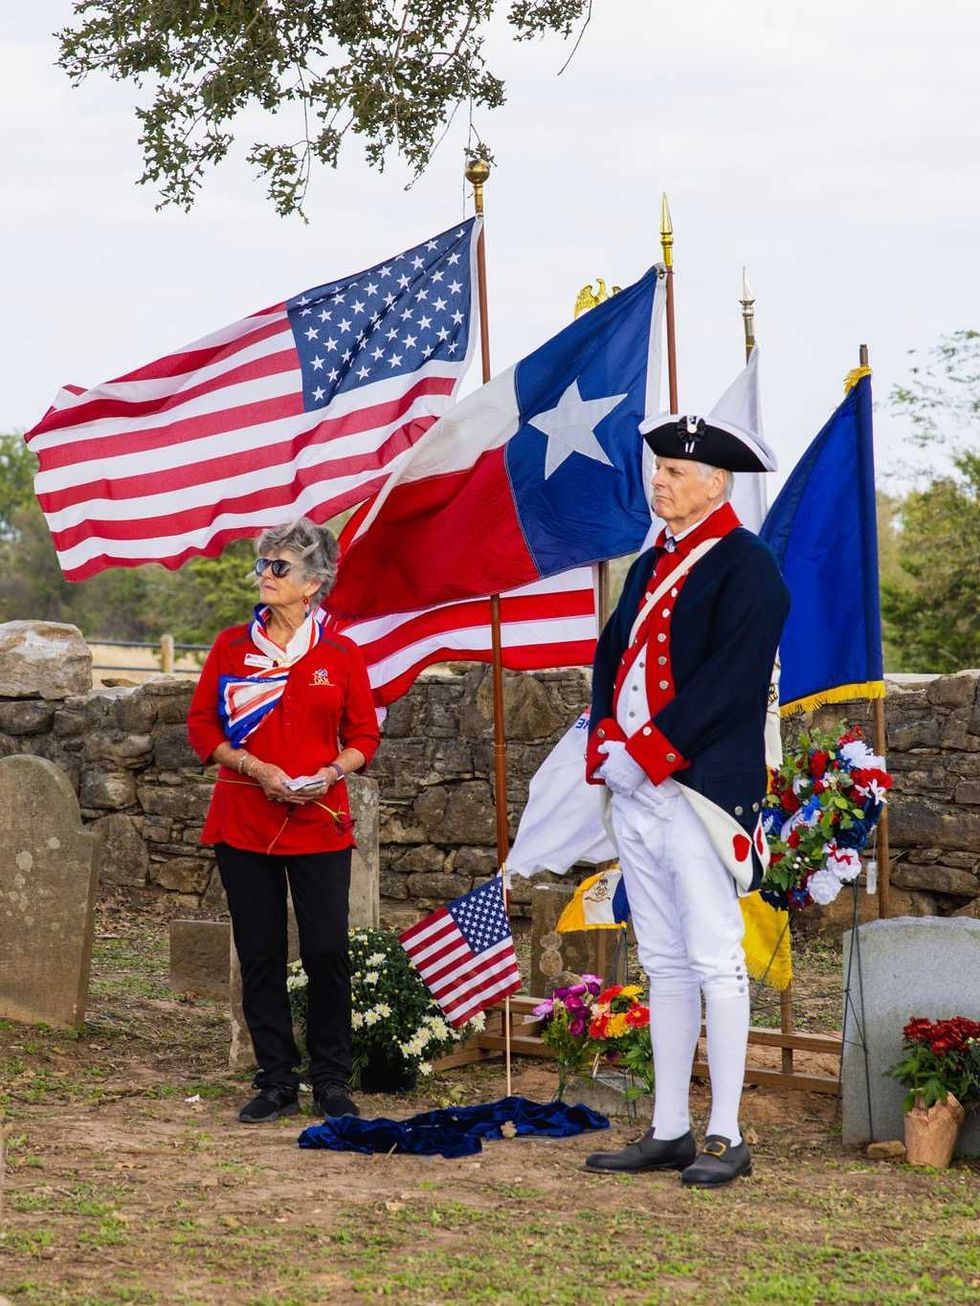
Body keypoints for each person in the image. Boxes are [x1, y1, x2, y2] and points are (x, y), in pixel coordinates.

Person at [582, 414, 789, 1187]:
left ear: (714, 483)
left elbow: (732, 683)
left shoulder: (748, 566)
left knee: (714, 958)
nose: (658, 480)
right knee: (664, 960)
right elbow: (614, 654)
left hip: (699, 790)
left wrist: (649, 754)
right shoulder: (650, 563)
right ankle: (669, 1127)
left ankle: (727, 1133)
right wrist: (607, 737)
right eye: (658, 468)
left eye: (673, 471)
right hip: (637, 787)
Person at [187, 516, 380, 1124]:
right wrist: (253, 766)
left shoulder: (341, 654)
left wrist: (328, 773)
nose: (264, 576)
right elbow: (202, 727)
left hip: (319, 819)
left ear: (313, 584)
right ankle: (275, 1079)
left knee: (326, 951)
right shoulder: (230, 647)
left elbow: (364, 735)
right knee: (261, 951)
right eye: (262, 564)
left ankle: (330, 1079)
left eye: (279, 567)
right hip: (244, 818)